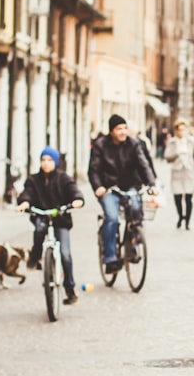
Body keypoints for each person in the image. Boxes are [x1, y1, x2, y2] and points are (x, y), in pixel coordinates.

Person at [89, 114, 157, 275]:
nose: (123, 132)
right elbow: (94, 169)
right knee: (112, 218)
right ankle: (110, 257)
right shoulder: (101, 145)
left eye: (125, 128)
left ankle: (132, 246)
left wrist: (151, 184)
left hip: (129, 185)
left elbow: (143, 164)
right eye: (119, 129)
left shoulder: (133, 144)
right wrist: (98, 186)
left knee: (135, 212)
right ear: (111, 131)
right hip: (109, 188)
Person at [16, 147, 85, 304]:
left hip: (61, 219)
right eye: (43, 160)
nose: (46, 164)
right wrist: (24, 203)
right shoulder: (33, 179)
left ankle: (69, 288)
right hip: (41, 215)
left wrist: (77, 200)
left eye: (49, 160)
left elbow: (74, 190)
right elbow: (27, 193)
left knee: (65, 254)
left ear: (56, 162)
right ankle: (35, 256)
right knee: (39, 229)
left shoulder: (63, 178)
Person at [164, 119, 194, 230]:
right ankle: (180, 216)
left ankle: (187, 222)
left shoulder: (192, 141)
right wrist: (177, 153)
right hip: (177, 172)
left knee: (189, 197)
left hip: (189, 171)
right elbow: (167, 157)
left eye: (184, 129)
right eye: (179, 130)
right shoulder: (172, 142)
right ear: (175, 130)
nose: (181, 132)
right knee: (177, 197)